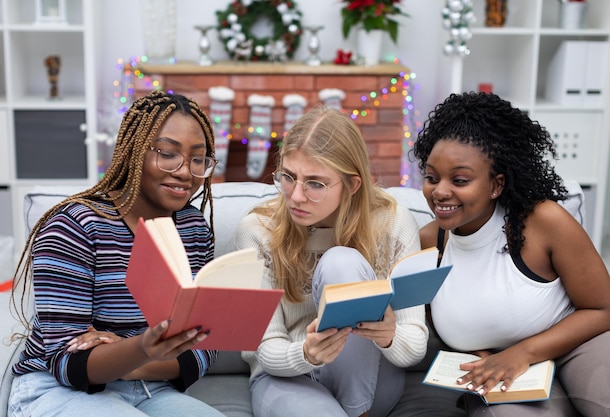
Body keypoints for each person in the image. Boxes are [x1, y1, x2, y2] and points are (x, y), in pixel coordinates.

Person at [8, 90, 226, 417]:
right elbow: (67, 362)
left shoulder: (192, 229)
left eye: (198, 159)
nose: (185, 172)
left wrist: (134, 360)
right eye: (168, 153)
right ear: (135, 151)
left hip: (150, 389)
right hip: (57, 388)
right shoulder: (75, 226)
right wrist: (144, 348)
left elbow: (204, 350)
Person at [413, 91, 610, 417]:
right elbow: (427, 322)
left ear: (496, 185)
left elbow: (603, 307)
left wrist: (523, 351)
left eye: (459, 179)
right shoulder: (428, 244)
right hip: (499, 369)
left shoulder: (543, 222)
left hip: (579, 346)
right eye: (432, 177)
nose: (440, 191)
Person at [235, 105, 429, 417]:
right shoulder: (258, 229)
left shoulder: (393, 222)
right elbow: (264, 350)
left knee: (342, 263)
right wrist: (306, 353)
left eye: (315, 183)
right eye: (288, 177)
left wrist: (390, 335)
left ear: (352, 185)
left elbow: (414, 344)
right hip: (290, 376)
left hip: (373, 381)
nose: (296, 196)